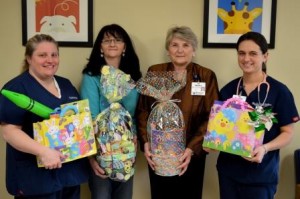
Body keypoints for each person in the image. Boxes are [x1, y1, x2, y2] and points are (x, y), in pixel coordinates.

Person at [0, 34, 89, 199]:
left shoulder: (66, 85)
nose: (50, 60)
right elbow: (9, 132)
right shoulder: (16, 88)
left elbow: (76, 122)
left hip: (69, 174)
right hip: (35, 178)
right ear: (29, 58)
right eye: (42, 55)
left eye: (54, 55)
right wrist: (42, 151)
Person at [137, 26, 219, 199]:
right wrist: (145, 143)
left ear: (194, 50)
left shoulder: (205, 76)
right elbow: (143, 110)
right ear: (168, 50)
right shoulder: (155, 72)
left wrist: (191, 148)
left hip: (192, 155)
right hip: (159, 153)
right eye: (175, 45)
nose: (180, 50)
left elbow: (213, 116)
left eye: (186, 45)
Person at [216, 32, 299, 199]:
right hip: (229, 173)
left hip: (261, 176)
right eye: (241, 53)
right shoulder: (228, 90)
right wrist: (212, 142)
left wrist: (264, 148)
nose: (246, 58)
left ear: (265, 56)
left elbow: (288, 134)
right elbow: (221, 129)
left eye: (253, 53)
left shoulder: (279, 92)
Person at [80, 24, 142, 199]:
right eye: (107, 40)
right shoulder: (91, 76)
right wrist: (91, 158)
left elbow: (135, 115)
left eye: (118, 40)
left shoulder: (134, 78)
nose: (112, 43)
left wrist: (134, 138)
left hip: (127, 149)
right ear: (100, 46)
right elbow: (89, 117)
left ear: (125, 46)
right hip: (101, 151)